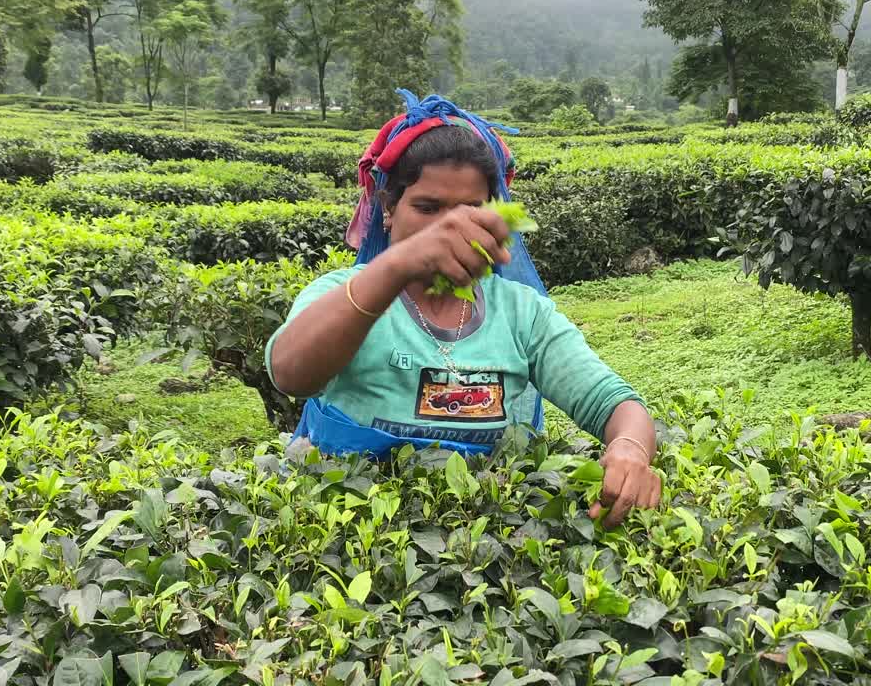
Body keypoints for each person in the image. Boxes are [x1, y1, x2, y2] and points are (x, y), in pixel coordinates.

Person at [265, 91, 659, 526]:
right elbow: (290, 374)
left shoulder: (522, 313)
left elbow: (615, 404)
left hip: (480, 552)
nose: (450, 228)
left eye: (471, 210)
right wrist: (397, 266)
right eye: (427, 208)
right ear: (388, 211)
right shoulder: (344, 293)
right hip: (349, 537)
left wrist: (630, 448)